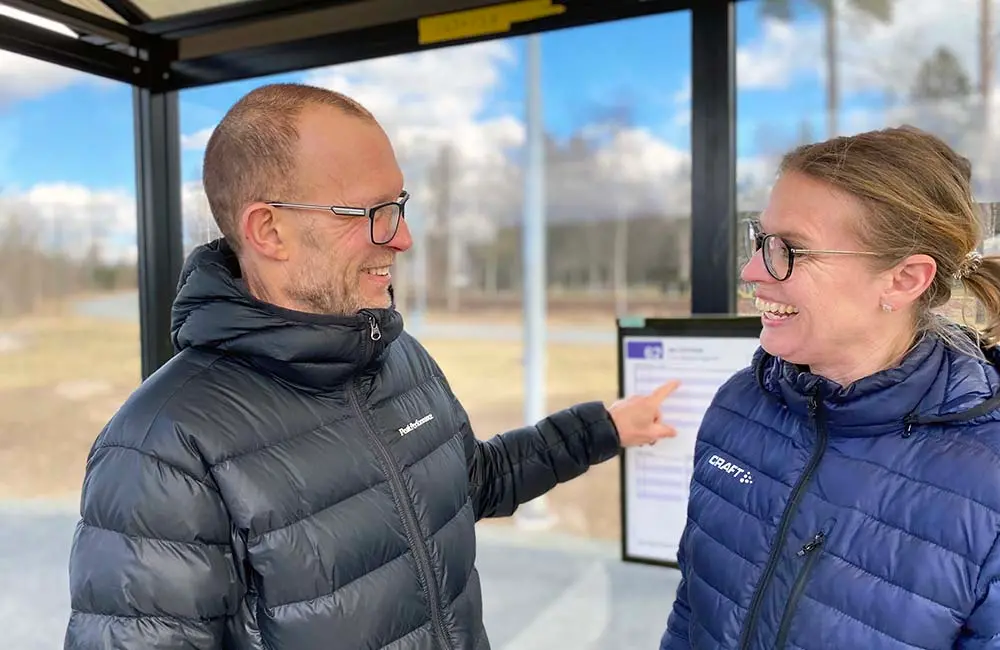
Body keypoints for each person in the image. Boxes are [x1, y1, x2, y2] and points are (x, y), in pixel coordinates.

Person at [62, 83, 679, 650]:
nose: (402, 238)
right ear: (269, 230)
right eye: (372, 213)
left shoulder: (394, 354)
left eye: (400, 206)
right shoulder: (160, 454)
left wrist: (606, 428)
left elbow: (473, 480)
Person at [660, 125, 1000, 650]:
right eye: (761, 240)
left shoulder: (987, 477)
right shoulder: (741, 404)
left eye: (790, 250)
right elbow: (693, 607)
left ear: (904, 279)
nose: (753, 271)